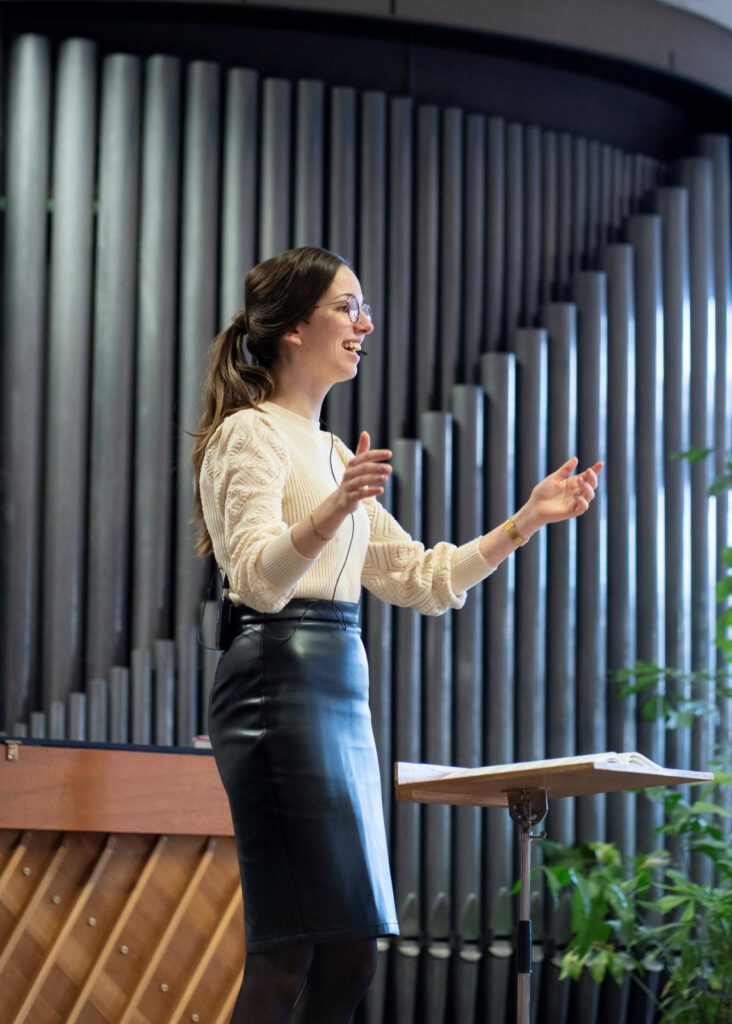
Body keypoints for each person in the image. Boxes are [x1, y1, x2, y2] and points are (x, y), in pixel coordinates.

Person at [192, 246, 602, 1024]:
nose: (366, 324)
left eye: (364, 308)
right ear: (294, 328)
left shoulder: (332, 453)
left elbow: (421, 579)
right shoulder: (249, 435)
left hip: (338, 688)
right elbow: (256, 580)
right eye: (347, 307)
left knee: (353, 952)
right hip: (275, 686)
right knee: (289, 950)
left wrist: (525, 521)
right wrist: (333, 510)